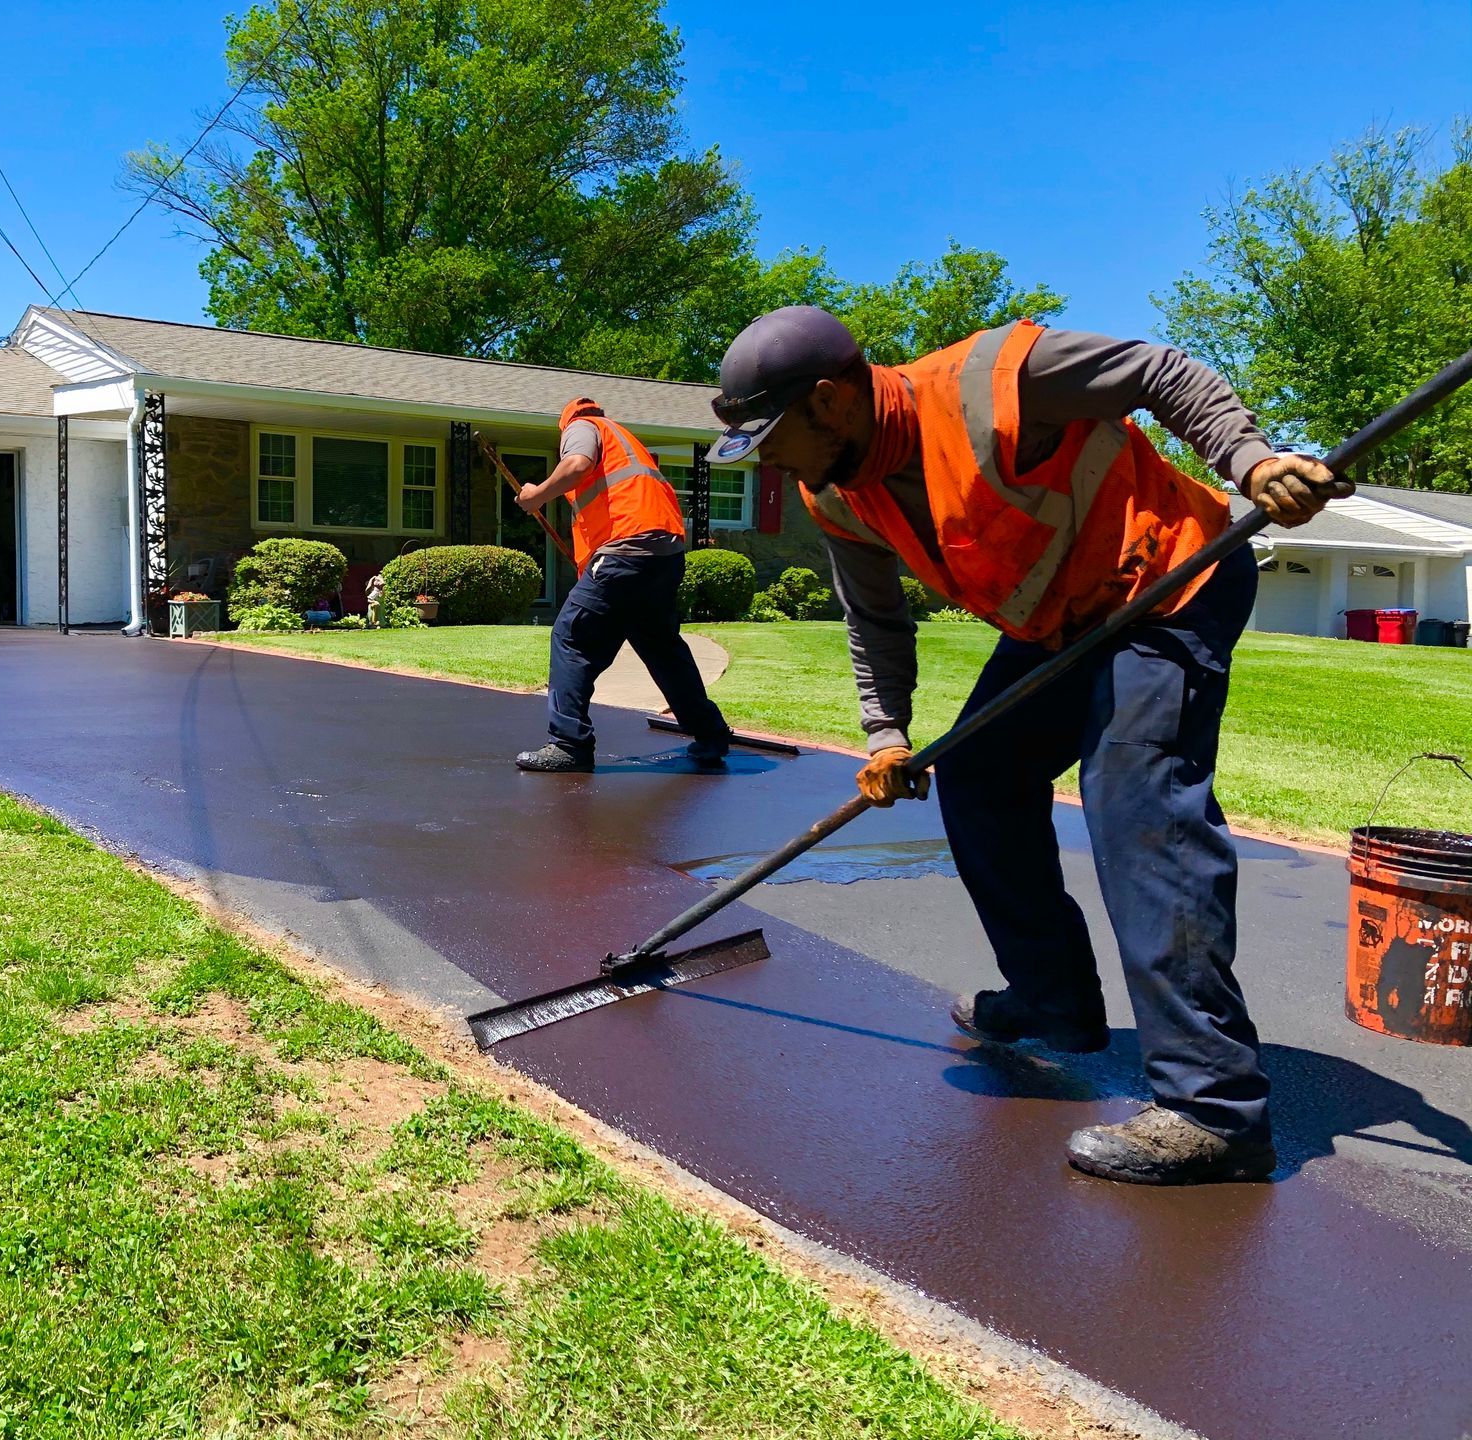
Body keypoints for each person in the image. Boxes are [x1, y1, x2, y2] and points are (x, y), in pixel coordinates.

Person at [707, 306, 1350, 1184]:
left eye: (773, 439)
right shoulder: (838, 493)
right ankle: (1057, 1004)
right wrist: (887, 733)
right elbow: (875, 619)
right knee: (977, 775)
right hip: (1060, 618)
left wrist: (1253, 460)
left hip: (1168, 581)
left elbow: (1161, 371)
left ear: (830, 402)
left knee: (1138, 801)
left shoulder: (994, 380)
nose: (770, 462)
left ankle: (1216, 1108)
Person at [513, 397, 733, 773]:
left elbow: (576, 465)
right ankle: (710, 735)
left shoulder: (582, 429)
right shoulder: (625, 441)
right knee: (662, 647)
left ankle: (569, 744)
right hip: (663, 554)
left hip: (626, 551)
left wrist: (536, 495)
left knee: (571, 638)